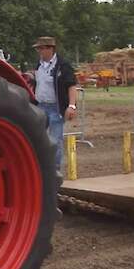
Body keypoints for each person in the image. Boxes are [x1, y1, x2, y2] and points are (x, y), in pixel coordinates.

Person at [29, 36, 78, 170]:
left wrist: (71, 106)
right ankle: (40, 168)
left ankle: (54, 171)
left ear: (51, 49)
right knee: (37, 138)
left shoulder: (63, 66)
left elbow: (71, 86)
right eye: (38, 49)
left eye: (41, 49)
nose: (39, 51)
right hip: (40, 106)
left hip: (55, 108)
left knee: (55, 141)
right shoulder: (39, 65)